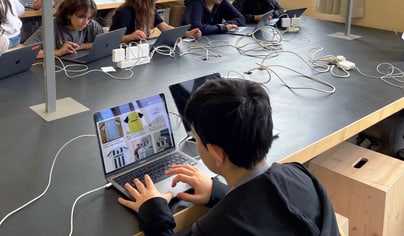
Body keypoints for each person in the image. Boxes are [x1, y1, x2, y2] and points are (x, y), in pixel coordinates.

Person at [117, 79, 340, 235]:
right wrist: (218, 193)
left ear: (216, 152)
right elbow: (265, 211)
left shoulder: (217, 227)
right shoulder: (300, 173)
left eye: (195, 137)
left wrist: (153, 209)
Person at [24, 0, 104, 58]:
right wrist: (58, 52)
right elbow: (27, 52)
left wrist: (82, 46)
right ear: (68, 14)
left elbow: (105, 41)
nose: (85, 22)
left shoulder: (90, 23)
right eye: (81, 17)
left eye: (89, 18)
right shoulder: (51, 27)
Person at [110, 0, 201, 43]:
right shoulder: (124, 13)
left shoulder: (150, 10)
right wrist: (131, 36)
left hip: (141, 52)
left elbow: (165, 28)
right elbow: (111, 40)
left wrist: (187, 33)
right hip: (125, 56)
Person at [181, 0, 246, 35]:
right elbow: (197, 28)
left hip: (212, 41)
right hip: (190, 44)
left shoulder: (222, 2)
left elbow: (241, 19)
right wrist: (223, 28)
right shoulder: (195, 2)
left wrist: (226, 25)